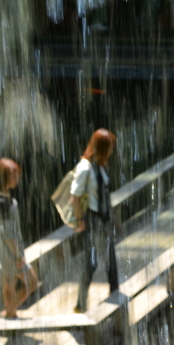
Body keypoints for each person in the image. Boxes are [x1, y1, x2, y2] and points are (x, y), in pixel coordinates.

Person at [71, 129, 119, 313]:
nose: (112, 151)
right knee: (90, 262)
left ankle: (115, 293)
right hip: (91, 219)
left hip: (104, 218)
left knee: (110, 257)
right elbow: (74, 196)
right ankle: (80, 304)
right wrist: (80, 220)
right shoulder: (85, 167)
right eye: (110, 147)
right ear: (102, 148)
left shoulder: (101, 165)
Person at [0, 158, 38, 319]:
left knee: (8, 284)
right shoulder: (4, 203)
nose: (17, 180)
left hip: (3, 252)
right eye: (13, 176)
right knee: (32, 282)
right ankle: (10, 311)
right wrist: (18, 256)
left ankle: (10, 312)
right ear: (4, 178)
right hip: (10, 254)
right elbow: (9, 234)